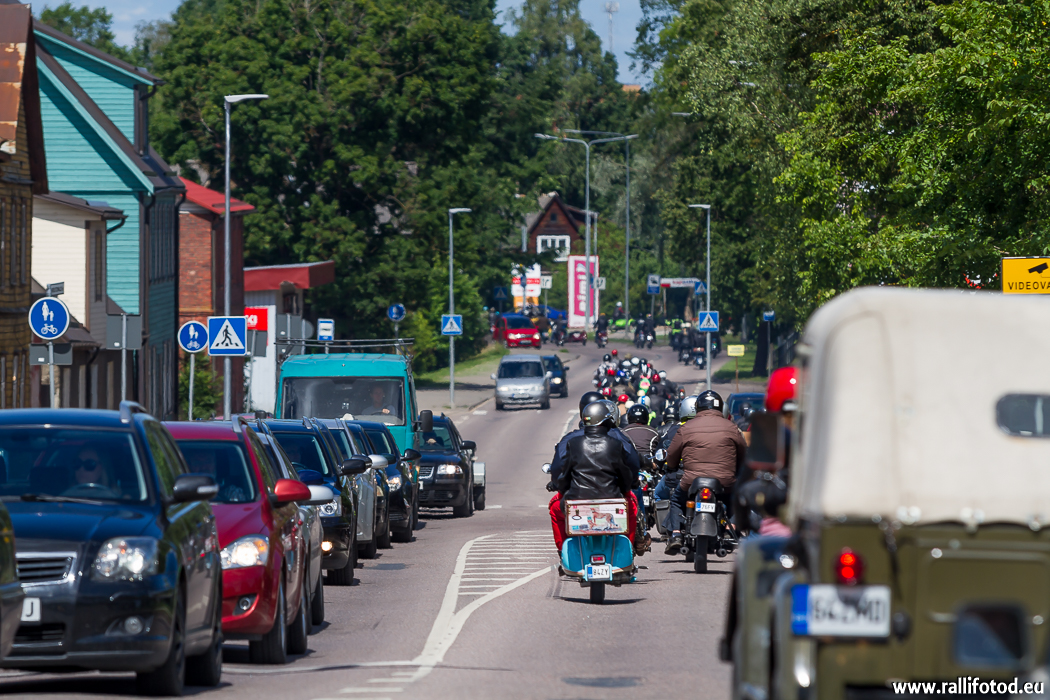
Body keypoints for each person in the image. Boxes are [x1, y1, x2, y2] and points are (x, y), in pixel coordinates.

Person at [663, 390, 747, 554]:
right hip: (725, 482)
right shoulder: (732, 428)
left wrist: (671, 466)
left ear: (698, 407)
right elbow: (743, 455)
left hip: (691, 481)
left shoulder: (686, 427)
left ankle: (676, 534)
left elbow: (671, 455)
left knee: (676, 501)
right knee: (738, 499)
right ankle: (731, 528)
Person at [550, 400, 639, 551]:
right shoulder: (616, 443)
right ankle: (627, 550)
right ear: (606, 421)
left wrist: (562, 489)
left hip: (578, 500)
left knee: (554, 508)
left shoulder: (573, 443)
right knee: (631, 508)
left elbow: (564, 474)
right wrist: (627, 487)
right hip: (612, 499)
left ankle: (564, 551)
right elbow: (625, 474)